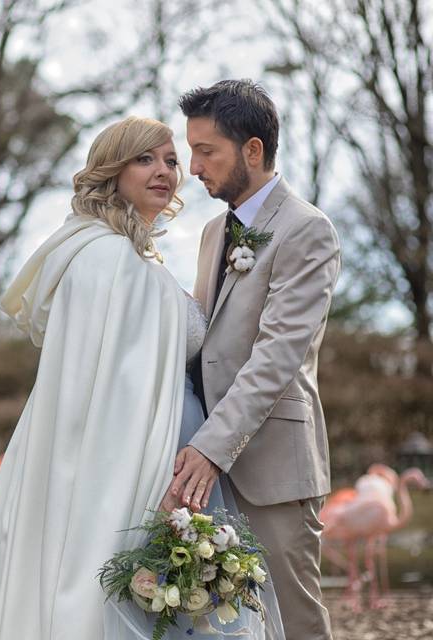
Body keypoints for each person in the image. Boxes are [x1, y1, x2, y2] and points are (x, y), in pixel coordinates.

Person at [0, 116, 281, 639]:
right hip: (132, 464)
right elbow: (103, 395)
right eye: (145, 159)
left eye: (171, 160)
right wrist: (143, 483)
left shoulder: (139, 256)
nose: (164, 170)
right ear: (113, 170)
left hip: (177, 453)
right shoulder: (105, 257)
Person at [169, 79, 340, 640]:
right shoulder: (214, 231)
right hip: (205, 467)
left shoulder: (308, 230)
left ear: (253, 150)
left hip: (272, 466)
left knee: (295, 623)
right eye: (191, 150)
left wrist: (210, 449)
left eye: (206, 151)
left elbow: (277, 357)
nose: (194, 167)